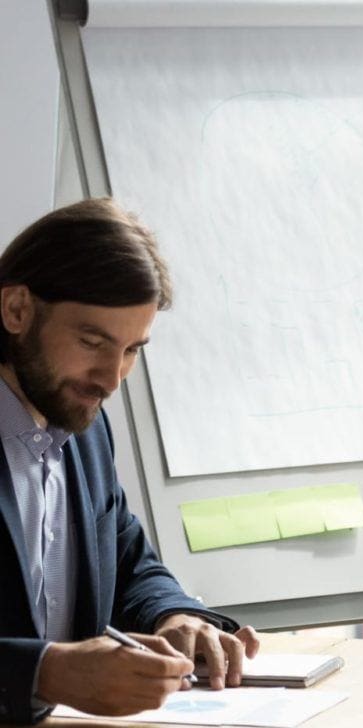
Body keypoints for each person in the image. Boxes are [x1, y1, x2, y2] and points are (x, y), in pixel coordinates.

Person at [0, 199, 260, 724]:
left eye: (132, 350)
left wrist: (175, 614)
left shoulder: (85, 426)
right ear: (17, 310)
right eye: (92, 341)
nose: (111, 377)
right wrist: (44, 673)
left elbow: (126, 558)